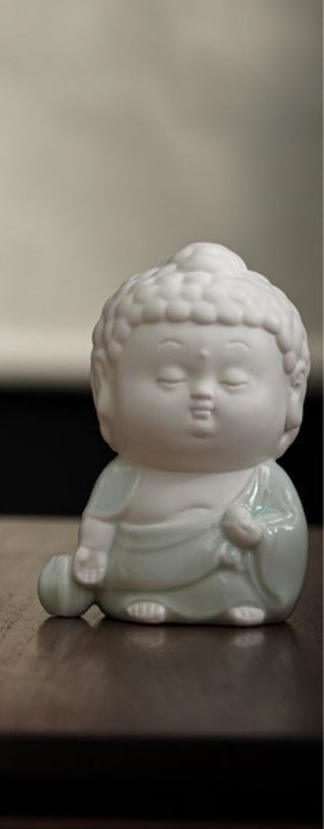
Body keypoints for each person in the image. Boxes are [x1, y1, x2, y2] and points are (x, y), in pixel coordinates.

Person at [39, 243, 309, 625]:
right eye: (169, 377)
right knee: (134, 584)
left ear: (293, 393)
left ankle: (239, 598)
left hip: (238, 584)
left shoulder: (262, 480)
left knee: (240, 575)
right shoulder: (126, 474)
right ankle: (143, 593)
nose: (203, 393)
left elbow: (286, 530)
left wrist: (257, 534)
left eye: (233, 378)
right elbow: (101, 522)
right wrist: (93, 555)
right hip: (139, 582)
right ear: (105, 386)